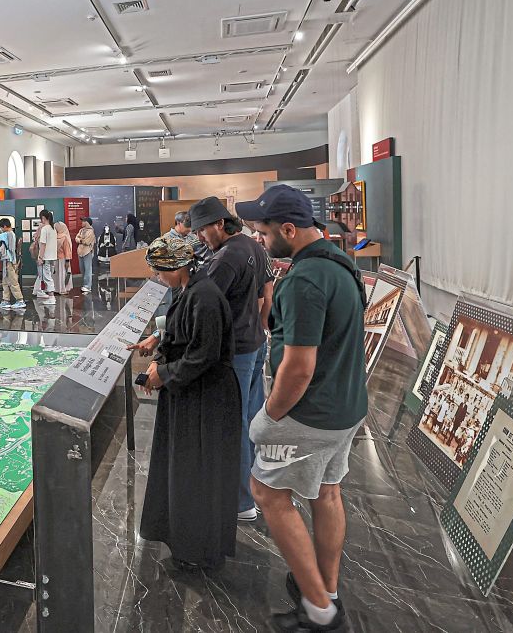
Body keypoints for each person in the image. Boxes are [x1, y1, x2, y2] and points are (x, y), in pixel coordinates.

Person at [237, 184, 368, 632]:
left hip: (310, 413)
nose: (260, 239)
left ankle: (319, 611)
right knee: (327, 492)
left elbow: (298, 368)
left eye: (264, 231)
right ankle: (326, 590)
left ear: (289, 230)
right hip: (346, 406)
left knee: (267, 493)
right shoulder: (340, 264)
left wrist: (269, 416)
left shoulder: (304, 280)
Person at [134, 236, 240, 571]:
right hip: (190, 393)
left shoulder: (204, 297)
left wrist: (163, 374)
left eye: (160, 271)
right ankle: (184, 540)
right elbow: (179, 336)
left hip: (206, 398)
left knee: (197, 473)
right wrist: (158, 360)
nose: (158, 277)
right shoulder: (189, 290)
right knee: (183, 469)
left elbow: (203, 355)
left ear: (177, 266)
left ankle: (198, 549)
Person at [164, 196, 272, 522]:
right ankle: (254, 490)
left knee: (233, 425)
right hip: (255, 342)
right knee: (252, 421)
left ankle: (241, 501)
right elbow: (265, 292)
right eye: (195, 231)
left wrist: (166, 336)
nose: (199, 236)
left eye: (202, 230)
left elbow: (205, 304)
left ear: (220, 224)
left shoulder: (225, 259)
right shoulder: (253, 246)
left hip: (237, 350)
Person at [0, 218, 26, 310]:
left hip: (10, 261)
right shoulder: (8, 234)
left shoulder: (9, 234)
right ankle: (6, 300)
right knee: (5, 281)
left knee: (13, 281)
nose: (1, 229)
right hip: (6, 260)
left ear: (5, 226)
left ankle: (20, 300)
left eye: (1, 227)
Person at [34, 209, 57, 304]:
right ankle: (49, 295)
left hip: (46, 257)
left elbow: (43, 244)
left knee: (47, 277)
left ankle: (51, 297)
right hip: (52, 256)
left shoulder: (45, 229)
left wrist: (40, 257)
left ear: (43, 218)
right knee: (48, 275)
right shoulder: (53, 228)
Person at [76, 216, 96, 293]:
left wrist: (80, 240)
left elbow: (87, 242)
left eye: (83, 221)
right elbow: (76, 238)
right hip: (80, 252)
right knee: (82, 269)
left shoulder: (91, 231)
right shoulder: (81, 230)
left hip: (87, 252)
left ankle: (88, 286)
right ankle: (84, 284)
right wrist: (81, 240)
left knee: (88, 269)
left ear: (87, 223)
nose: (82, 222)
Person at [54, 219, 74, 294]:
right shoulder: (65, 237)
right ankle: (63, 289)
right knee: (63, 274)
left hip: (55, 258)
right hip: (63, 259)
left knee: (56, 275)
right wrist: (67, 261)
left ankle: (56, 289)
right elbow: (67, 250)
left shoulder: (55, 237)